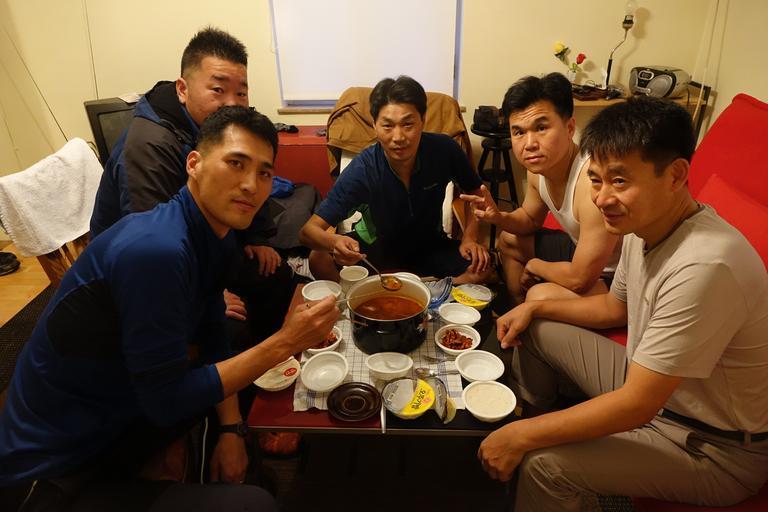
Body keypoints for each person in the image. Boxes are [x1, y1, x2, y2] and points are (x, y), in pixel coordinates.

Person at [0, 106, 339, 511]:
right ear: (193, 164)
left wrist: (230, 430)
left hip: (123, 408)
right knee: (255, 503)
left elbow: (213, 335)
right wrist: (286, 342)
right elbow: (166, 400)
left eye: (264, 173)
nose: (251, 185)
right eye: (236, 163)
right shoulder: (156, 251)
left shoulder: (212, 235)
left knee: (240, 406)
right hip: (56, 467)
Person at [478, 96, 768, 510]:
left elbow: (638, 405)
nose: (601, 199)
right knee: (536, 325)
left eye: (619, 181)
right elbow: (615, 309)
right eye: (595, 180)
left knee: (544, 465)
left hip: (711, 446)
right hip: (655, 386)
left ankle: (532, 443)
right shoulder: (640, 227)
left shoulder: (707, 264)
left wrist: (524, 438)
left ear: (675, 175)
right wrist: (532, 308)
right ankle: (529, 413)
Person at [89, 26, 290, 347]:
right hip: (140, 276)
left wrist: (256, 237)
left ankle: (273, 361)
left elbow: (247, 179)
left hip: (202, 246)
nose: (232, 104)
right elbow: (150, 246)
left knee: (276, 274)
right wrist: (208, 294)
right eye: (218, 90)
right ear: (183, 89)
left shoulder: (217, 126)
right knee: (229, 328)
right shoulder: (148, 146)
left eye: (241, 93)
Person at [299, 75, 491, 283]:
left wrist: (470, 238)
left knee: (482, 267)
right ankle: (363, 297)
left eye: (408, 124)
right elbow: (308, 231)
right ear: (375, 125)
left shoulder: (445, 150)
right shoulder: (363, 170)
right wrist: (334, 241)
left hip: (429, 245)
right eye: (388, 126)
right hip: (375, 249)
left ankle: (430, 293)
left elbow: (476, 192)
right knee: (318, 258)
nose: (398, 137)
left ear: (422, 120)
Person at [461, 73, 621, 304]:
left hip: (616, 274)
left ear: (569, 128)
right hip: (580, 249)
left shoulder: (592, 184)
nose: (529, 144)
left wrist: (536, 266)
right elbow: (529, 219)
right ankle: (517, 309)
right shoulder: (538, 170)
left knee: (540, 296)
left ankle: (528, 311)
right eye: (519, 132)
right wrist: (498, 217)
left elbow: (580, 279)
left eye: (541, 128)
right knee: (508, 240)